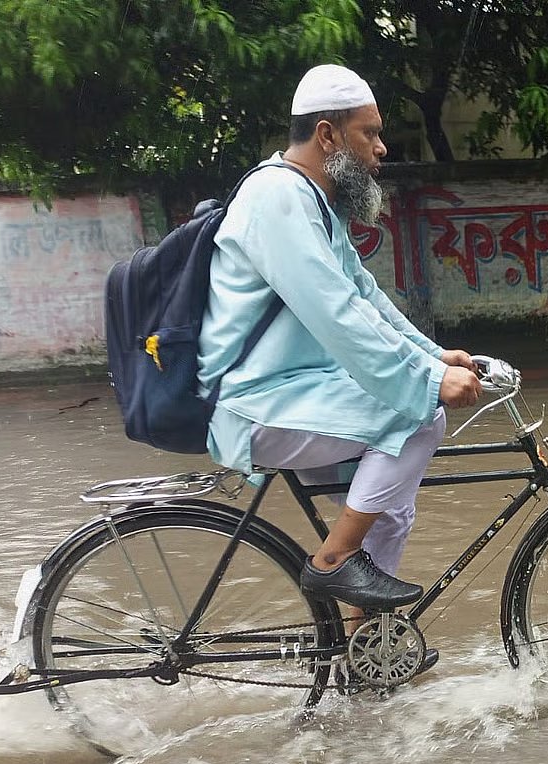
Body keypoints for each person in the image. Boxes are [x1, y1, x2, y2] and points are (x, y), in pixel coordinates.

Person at [198, 64, 482, 673]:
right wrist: (428, 382)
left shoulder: (313, 202)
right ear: (327, 135)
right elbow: (336, 317)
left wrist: (431, 354)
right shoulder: (276, 198)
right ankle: (333, 561)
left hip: (296, 390)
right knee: (417, 416)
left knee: (394, 502)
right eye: (370, 134)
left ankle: (357, 646)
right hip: (252, 400)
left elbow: (364, 298)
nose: (381, 149)